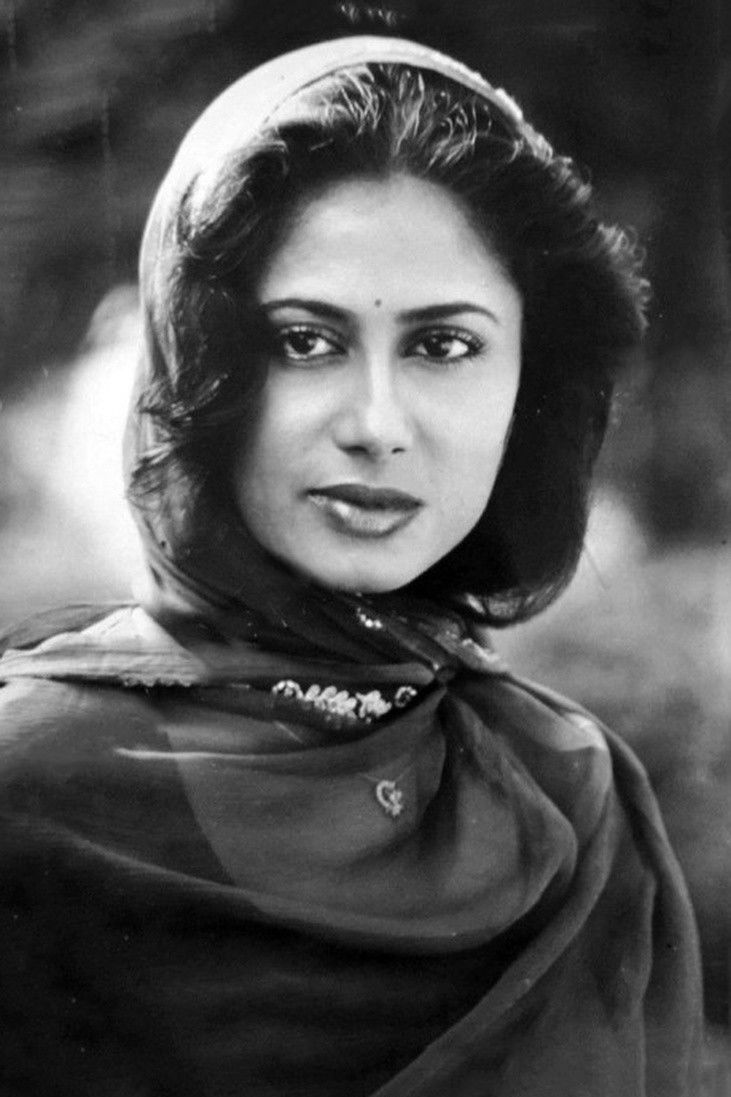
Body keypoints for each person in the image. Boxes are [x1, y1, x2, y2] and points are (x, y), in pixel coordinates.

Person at [0, 33, 703, 1097]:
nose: (376, 424)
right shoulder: (32, 788)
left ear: (531, 384)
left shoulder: (575, 798)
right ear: (195, 361)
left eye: (443, 345)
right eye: (305, 340)